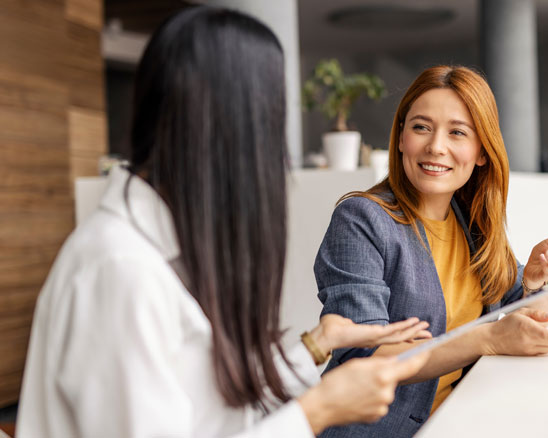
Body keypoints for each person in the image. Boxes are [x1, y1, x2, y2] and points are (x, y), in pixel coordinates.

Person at [16, 7, 432, 438]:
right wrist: (317, 410)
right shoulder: (121, 271)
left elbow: (206, 404)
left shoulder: (164, 246)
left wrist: (317, 344)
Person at [314, 65, 548, 438]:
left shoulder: (471, 221)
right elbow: (362, 356)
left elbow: (533, 311)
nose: (436, 146)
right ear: (401, 138)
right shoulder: (362, 220)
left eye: (457, 132)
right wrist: (487, 339)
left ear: (482, 151)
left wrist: (536, 283)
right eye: (421, 127)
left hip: (458, 423)